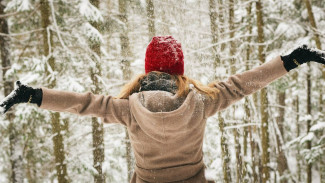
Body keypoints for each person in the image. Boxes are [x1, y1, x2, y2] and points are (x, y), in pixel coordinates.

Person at [1, 36, 325, 183]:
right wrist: (291, 60)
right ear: (179, 71)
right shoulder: (201, 102)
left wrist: (34, 95)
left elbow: (83, 103)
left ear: (146, 71)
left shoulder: (128, 109)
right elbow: (242, 84)